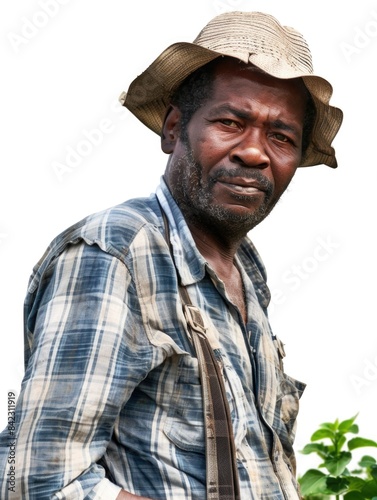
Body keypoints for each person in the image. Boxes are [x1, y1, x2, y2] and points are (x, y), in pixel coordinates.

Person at [0, 10, 342, 500]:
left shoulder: (247, 269)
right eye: (230, 122)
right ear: (174, 129)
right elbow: (40, 479)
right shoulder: (116, 252)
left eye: (281, 137)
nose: (255, 152)